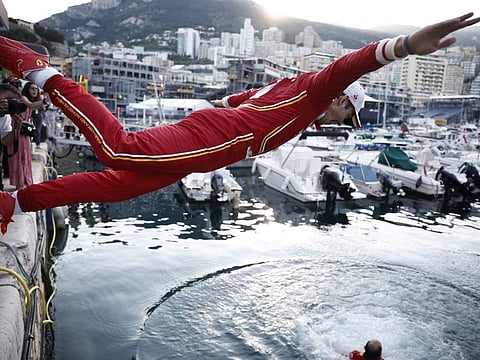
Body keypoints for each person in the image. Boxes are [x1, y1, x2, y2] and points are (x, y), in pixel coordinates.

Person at [0, 12, 477, 234]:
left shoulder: (291, 85)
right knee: (117, 149)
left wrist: (221, 107)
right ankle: (43, 70)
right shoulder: (317, 90)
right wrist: (407, 46)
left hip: (215, 133)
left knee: (115, 186)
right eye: (350, 108)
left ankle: (15, 201)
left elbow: (237, 96)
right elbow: (349, 65)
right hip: (216, 139)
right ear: (342, 100)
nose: (348, 117)